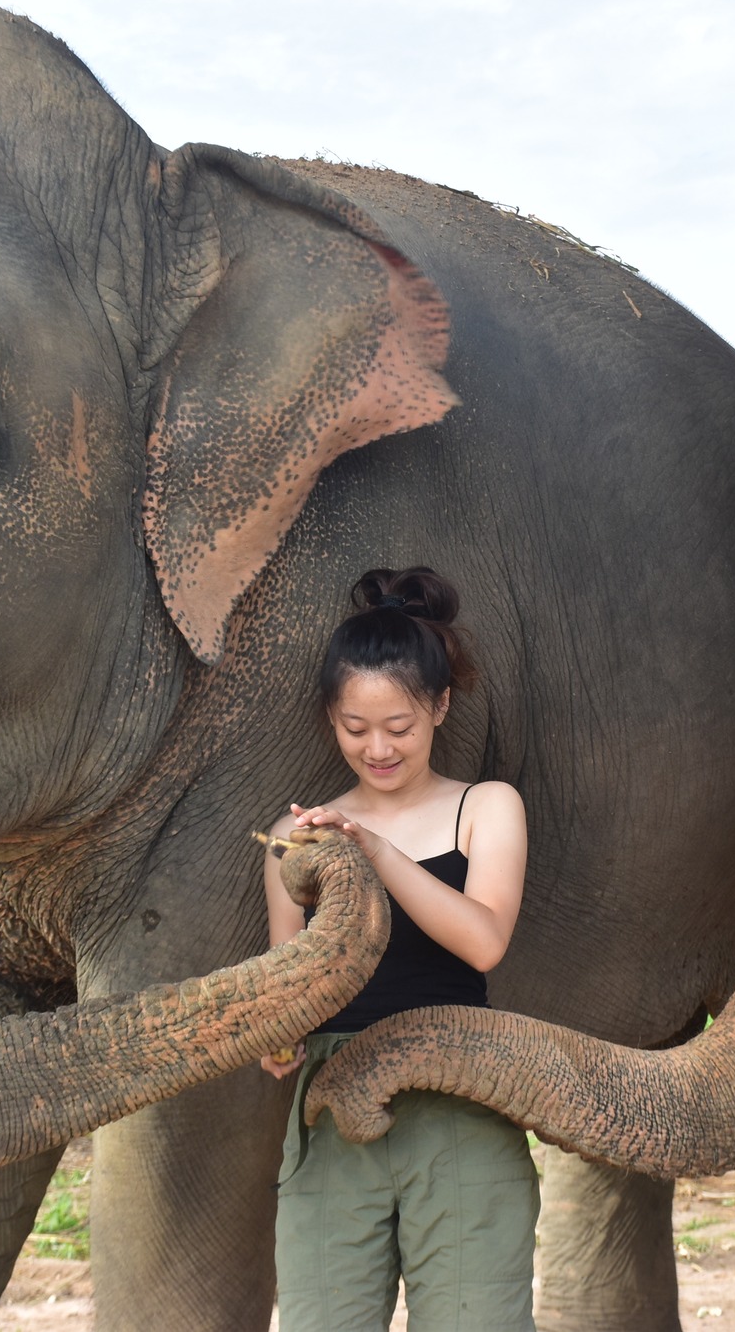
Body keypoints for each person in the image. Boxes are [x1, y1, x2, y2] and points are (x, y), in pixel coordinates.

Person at [263, 566, 537, 1332]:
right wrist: (275, 1037)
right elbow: (288, 995)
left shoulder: (485, 807)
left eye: (400, 728)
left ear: (441, 706)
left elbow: (484, 941)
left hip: (460, 1103)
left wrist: (378, 854)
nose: (378, 748)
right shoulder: (296, 839)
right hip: (331, 1108)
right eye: (356, 728)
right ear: (330, 718)